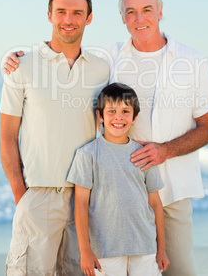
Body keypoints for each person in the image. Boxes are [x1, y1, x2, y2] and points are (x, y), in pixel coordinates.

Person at [2, 0, 208, 276]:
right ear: (122, 17)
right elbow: (8, 131)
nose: (139, 18)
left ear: (160, 12)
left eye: (146, 10)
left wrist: (166, 150)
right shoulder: (107, 59)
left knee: (177, 270)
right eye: (130, 12)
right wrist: (11, 57)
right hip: (92, 193)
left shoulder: (186, 62)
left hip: (164, 189)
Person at [0, 0, 109, 275]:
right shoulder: (21, 66)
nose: (68, 19)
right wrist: (21, 194)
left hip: (86, 197)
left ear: (89, 18)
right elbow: (7, 134)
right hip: (38, 195)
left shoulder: (102, 69)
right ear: (49, 15)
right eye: (61, 12)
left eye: (77, 12)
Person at [67, 82, 170, 276]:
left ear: (134, 118)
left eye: (125, 111)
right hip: (106, 249)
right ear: (100, 116)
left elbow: (155, 203)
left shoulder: (143, 154)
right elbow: (80, 203)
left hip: (145, 246)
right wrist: (85, 250)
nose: (118, 117)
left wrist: (161, 249)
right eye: (112, 111)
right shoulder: (88, 154)